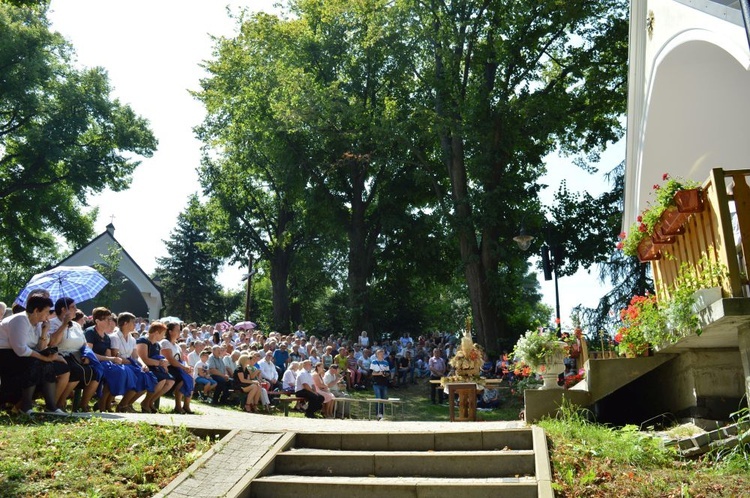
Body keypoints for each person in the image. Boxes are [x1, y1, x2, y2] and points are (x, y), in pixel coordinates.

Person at [0, 294, 67, 415]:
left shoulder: (37, 323)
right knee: (36, 363)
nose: (48, 316)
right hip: (5, 355)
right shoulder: (20, 320)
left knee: (49, 366)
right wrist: (44, 358)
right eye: (46, 312)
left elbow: (40, 348)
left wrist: (44, 331)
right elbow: (20, 349)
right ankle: (25, 406)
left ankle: (51, 406)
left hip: (20, 355)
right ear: (36, 310)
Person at [85, 307, 134, 412]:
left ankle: (107, 402)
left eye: (110, 319)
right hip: (93, 362)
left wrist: (114, 359)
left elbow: (108, 355)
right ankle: (100, 402)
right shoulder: (90, 332)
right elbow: (89, 353)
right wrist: (110, 358)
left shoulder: (106, 337)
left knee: (121, 370)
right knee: (115, 372)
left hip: (104, 363)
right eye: (106, 319)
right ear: (97, 321)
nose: (110, 321)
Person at [110, 312, 156, 412]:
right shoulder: (114, 337)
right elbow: (115, 355)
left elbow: (135, 355)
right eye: (133, 322)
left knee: (147, 377)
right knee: (137, 376)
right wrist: (131, 362)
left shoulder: (132, 339)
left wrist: (143, 364)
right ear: (125, 323)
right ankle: (122, 405)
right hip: (119, 365)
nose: (135, 325)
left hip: (129, 364)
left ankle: (124, 404)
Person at [135, 321, 175, 413]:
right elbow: (144, 359)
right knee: (161, 380)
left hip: (155, 367)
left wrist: (164, 362)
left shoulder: (157, 345)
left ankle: (150, 401)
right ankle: (146, 402)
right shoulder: (143, 341)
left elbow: (160, 358)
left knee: (170, 381)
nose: (164, 336)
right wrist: (159, 363)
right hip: (145, 367)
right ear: (156, 332)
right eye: (163, 333)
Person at [161, 321, 194, 414]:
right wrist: (184, 368)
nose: (180, 332)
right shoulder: (165, 342)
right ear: (170, 332)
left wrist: (187, 367)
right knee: (184, 378)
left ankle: (186, 405)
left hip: (176, 367)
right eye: (177, 330)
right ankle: (178, 406)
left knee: (189, 377)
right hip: (168, 367)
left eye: (180, 330)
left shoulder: (177, 346)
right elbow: (170, 360)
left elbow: (182, 359)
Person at [369, 348, 390, 420]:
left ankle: (382, 414)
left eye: (382, 353)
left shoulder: (386, 362)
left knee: (383, 399)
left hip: (384, 383)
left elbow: (388, 372)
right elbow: (371, 373)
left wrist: (385, 374)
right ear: (377, 355)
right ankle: (378, 414)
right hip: (376, 383)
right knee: (378, 398)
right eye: (380, 353)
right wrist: (379, 374)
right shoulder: (374, 362)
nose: (381, 355)